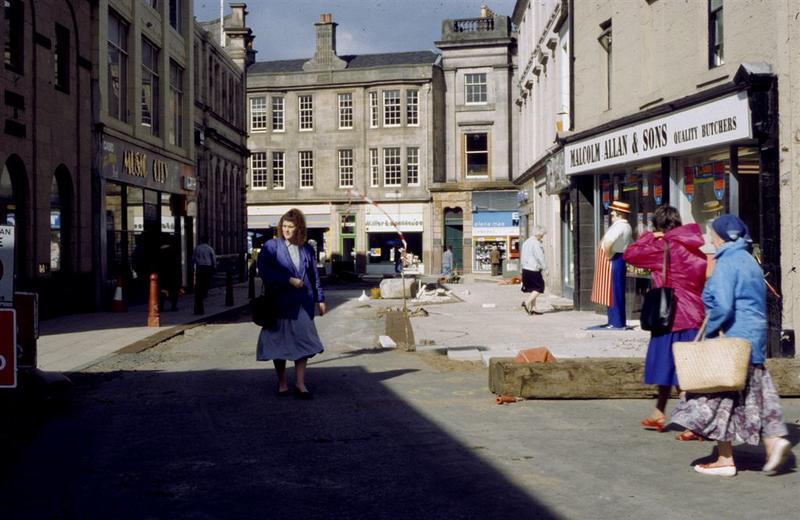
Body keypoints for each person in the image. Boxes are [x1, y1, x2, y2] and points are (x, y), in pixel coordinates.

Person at [671, 214, 791, 477]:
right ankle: (773, 442)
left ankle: (725, 459)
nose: (709, 237)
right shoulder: (749, 260)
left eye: (712, 233)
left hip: (731, 341)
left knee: (719, 395)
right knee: (756, 394)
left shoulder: (726, 263)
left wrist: (708, 332)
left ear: (722, 236)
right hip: (753, 339)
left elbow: (723, 306)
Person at [623, 206, 706, 434]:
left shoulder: (663, 247)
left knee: (676, 369)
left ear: (657, 226)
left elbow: (630, 254)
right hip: (693, 313)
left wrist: (650, 236)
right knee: (679, 367)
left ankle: (694, 422)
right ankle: (659, 413)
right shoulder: (693, 247)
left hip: (669, 315)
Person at [257, 208, 326, 400]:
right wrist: (288, 279)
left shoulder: (307, 249)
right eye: (284, 226)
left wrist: (320, 299)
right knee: (279, 342)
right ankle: (282, 382)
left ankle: (300, 383)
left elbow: (314, 276)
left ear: (299, 228)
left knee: (303, 340)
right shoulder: (271, 246)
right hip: (279, 303)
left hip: (302, 302)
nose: (286, 230)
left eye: (291, 227)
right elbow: (263, 270)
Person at [598, 201, 633, 329]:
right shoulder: (625, 226)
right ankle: (614, 320)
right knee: (613, 291)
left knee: (613, 291)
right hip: (617, 258)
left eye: (613, 212)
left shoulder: (619, 227)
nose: (611, 213)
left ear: (619, 214)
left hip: (614, 259)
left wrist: (608, 255)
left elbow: (608, 242)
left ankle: (616, 321)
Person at [520, 226, 547, 315]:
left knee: (533, 289)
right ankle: (527, 302)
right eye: (542, 235)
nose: (542, 237)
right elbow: (540, 257)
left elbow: (523, 256)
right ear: (538, 234)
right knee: (540, 287)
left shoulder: (526, 242)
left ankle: (534, 308)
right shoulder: (536, 243)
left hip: (526, 269)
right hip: (533, 269)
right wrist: (545, 268)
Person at [192, 235, 216, 314]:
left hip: (200, 266)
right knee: (206, 280)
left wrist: (193, 265)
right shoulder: (209, 248)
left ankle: (200, 292)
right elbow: (213, 258)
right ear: (207, 241)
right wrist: (214, 266)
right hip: (207, 266)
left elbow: (194, 258)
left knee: (200, 280)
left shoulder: (197, 248)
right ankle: (205, 293)